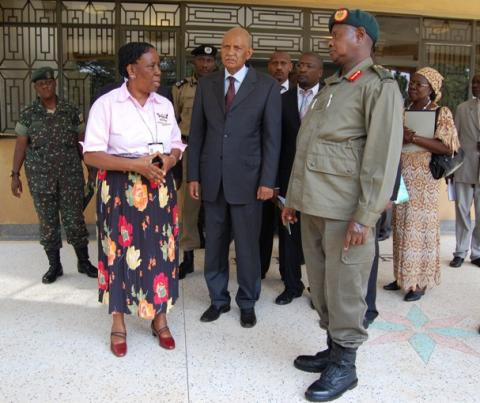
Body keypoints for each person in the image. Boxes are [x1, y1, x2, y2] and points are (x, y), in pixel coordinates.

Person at [282, 9, 403, 401]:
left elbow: (381, 158)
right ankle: (333, 349)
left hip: (346, 212)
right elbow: (309, 148)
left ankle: (346, 366)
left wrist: (365, 216)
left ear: (362, 37)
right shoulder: (333, 86)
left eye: (339, 34)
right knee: (320, 285)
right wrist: (294, 200)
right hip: (315, 206)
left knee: (347, 288)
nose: (331, 41)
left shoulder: (379, 87)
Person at [83, 42, 186, 357]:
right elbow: (91, 153)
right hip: (120, 188)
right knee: (118, 253)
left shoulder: (163, 104)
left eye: (159, 65)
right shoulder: (107, 104)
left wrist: (169, 161)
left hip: (159, 188)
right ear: (131, 70)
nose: (158, 72)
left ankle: (159, 318)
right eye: (151, 65)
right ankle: (118, 322)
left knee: (162, 252)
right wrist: (135, 165)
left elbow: (177, 144)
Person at [188, 27, 281, 328]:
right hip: (213, 179)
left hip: (250, 181)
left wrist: (268, 181)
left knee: (247, 246)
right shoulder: (208, 84)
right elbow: (198, 133)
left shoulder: (266, 86)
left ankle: (247, 300)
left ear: (249, 53)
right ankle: (218, 299)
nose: (229, 52)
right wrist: (193, 175)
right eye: (225, 46)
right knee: (213, 243)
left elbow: (272, 138)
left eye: (237, 47)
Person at [10, 67, 97, 284]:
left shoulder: (70, 110)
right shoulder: (28, 114)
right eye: (41, 84)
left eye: (49, 83)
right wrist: (15, 174)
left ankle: (83, 261)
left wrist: (91, 169)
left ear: (54, 83)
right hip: (41, 179)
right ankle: (54, 266)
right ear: (36, 87)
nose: (46, 87)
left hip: (70, 177)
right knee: (48, 223)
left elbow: (81, 143)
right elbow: (21, 145)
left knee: (75, 220)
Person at [385, 67, 460, 301]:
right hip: (401, 173)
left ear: (432, 89)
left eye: (419, 84)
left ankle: (419, 282)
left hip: (424, 178)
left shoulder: (441, 112)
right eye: (412, 83)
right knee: (401, 225)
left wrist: (413, 137)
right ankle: (402, 276)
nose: (413, 87)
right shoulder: (403, 110)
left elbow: (448, 147)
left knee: (420, 228)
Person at [275, 52, 323, 305]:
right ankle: (291, 285)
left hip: (321, 182)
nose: (302, 69)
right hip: (288, 179)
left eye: (309, 66)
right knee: (289, 236)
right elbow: (274, 143)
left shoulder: (331, 98)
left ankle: (319, 290)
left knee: (317, 240)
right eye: (300, 65)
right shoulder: (282, 100)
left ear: (320, 72)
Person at [172, 44, 217, 279]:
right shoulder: (181, 88)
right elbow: (173, 120)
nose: (205, 65)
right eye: (201, 60)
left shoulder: (222, 85)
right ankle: (187, 256)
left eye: (209, 61)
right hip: (190, 147)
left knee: (216, 200)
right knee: (190, 203)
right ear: (194, 63)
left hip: (217, 148)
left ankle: (215, 256)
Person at [259, 51, 294, 280]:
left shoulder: (298, 94)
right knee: (262, 225)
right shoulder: (258, 91)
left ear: (291, 67)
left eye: (283, 63)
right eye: (274, 63)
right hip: (261, 170)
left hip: (289, 172)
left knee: (287, 227)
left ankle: (288, 274)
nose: (278, 67)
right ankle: (258, 270)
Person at [449, 74, 480, 268]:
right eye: (474, 82)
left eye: (479, 82)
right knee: (462, 211)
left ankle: (477, 253)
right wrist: (452, 168)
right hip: (464, 167)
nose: (475, 85)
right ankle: (460, 251)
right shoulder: (462, 108)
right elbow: (455, 141)